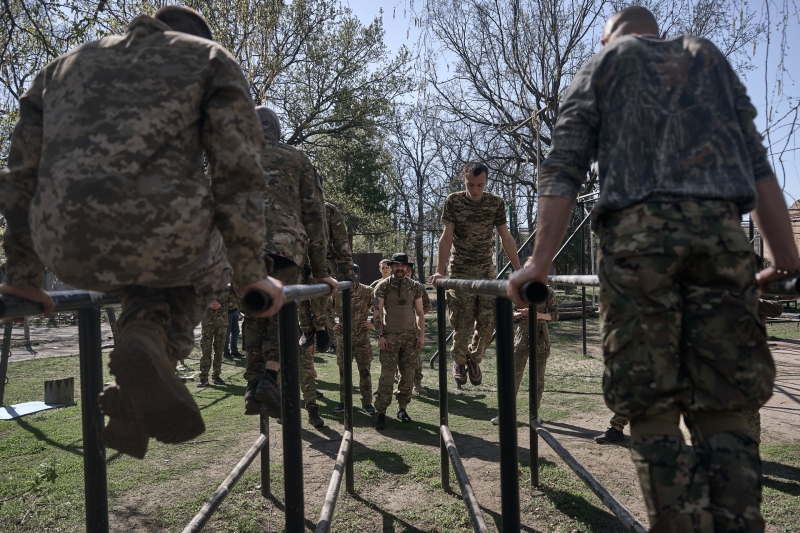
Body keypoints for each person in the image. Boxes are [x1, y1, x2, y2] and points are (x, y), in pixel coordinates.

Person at [507, 6, 800, 530]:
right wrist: (786, 258)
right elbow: (756, 165)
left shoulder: (604, 64)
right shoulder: (707, 58)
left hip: (637, 246)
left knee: (650, 403)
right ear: (656, 34)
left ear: (608, 38)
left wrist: (538, 264)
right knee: (724, 400)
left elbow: (563, 166)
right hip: (719, 241)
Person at [0, 6, 285, 459]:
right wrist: (251, 273)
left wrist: (23, 275)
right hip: (167, 239)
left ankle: (134, 393)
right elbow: (237, 173)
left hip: (66, 246)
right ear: (198, 37)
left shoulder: (61, 67)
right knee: (199, 258)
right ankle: (147, 354)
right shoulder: (208, 57)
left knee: (150, 277)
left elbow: (19, 177)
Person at [243, 106, 335, 427]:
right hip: (284, 248)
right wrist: (321, 270)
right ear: (276, 129)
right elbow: (315, 216)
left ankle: (253, 385)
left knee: (253, 314)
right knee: (280, 315)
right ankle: (270, 377)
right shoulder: (296, 158)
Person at [429, 162, 521, 387]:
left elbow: (506, 238)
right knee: (463, 322)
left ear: (486, 181)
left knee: (488, 323)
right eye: (470, 184)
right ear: (464, 180)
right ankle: (459, 361)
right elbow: (446, 237)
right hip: (460, 271)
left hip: (485, 271)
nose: (475, 189)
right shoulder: (454, 201)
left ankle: (474, 358)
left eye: (480, 185)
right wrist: (439, 270)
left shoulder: (495, 203)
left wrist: (520, 272)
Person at [492, 257, 558, 425]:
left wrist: (538, 315)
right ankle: (505, 413)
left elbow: (555, 315)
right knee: (513, 375)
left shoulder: (547, 291)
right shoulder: (519, 290)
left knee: (538, 377)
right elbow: (510, 312)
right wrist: (519, 314)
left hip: (541, 334)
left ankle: (534, 414)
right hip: (522, 334)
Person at [373, 253, 425, 429]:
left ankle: (402, 408)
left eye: (403, 265)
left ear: (407, 267)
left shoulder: (415, 287)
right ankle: (381, 412)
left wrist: (421, 335)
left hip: (410, 338)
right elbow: (377, 312)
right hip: (389, 338)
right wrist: (380, 335)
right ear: (392, 267)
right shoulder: (382, 286)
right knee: (387, 377)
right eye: (396, 265)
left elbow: (419, 312)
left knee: (408, 376)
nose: (400, 268)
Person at [299, 202, 354, 352]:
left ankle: (319, 325)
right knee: (296, 285)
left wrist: (348, 271)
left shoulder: (328, 210)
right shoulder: (292, 205)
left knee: (316, 280)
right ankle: (306, 328)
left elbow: (341, 241)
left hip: (325, 259)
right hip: (300, 260)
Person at [332, 264, 376, 414]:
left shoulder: (368, 291)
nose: (350, 278)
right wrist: (332, 324)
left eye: (353, 274)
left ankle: (367, 402)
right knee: (344, 371)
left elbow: (380, 308)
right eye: (347, 274)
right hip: (343, 339)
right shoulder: (338, 291)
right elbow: (326, 309)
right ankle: (344, 401)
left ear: (358, 275)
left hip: (362, 338)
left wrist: (373, 323)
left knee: (364, 371)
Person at [197, 290, 231, 386]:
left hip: (222, 324)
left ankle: (216, 376)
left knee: (219, 350)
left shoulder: (228, 286)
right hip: (207, 324)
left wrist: (221, 306)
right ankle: (203, 377)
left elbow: (235, 302)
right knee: (206, 350)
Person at [409, 265, 431, 394]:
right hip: (400, 326)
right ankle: (402, 383)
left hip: (415, 327)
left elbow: (427, 305)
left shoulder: (418, 287)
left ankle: (417, 384)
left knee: (416, 358)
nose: (406, 273)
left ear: (411, 272)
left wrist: (417, 314)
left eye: (408, 271)